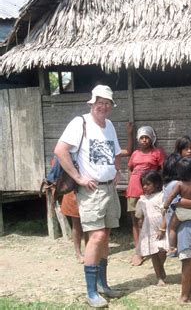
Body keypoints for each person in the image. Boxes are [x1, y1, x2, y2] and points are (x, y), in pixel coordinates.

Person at [54, 84, 123, 307]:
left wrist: (117, 170)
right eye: (99, 102)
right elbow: (60, 150)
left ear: (111, 106)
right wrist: (78, 177)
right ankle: (91, 291)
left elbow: (116, 152)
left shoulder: (110, 125)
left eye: (107, 103)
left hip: (109, 188)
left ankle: (103, 285)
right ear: (91, 103)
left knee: (106, 235)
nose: (103, 106)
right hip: (91, 190)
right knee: (96, 237)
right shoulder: (80, 122)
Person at [161, 153, 191, 300]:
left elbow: (171, 200)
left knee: (173, 227)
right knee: (189, 260)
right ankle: (185, 293)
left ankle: (172, 245)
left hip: (181, 215)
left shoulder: (178, 185)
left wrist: (165, 206)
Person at [126, 126, 166, 266]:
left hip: (150, 192)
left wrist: (156, 185)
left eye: (147, 137)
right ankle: (139, 251)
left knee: (152, 220)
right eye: (142, 138)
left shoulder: (157, 152)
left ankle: (155, 247)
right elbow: (131, 169)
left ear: (151, 138)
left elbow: (162, 169)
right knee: (136, 222)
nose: (144, 140)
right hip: (133, 190)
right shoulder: (135, 153)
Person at [161, 157, 191, 255]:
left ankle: (172, 247)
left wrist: (165, 206)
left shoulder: (180, 184)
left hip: (181, 212)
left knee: (171, 228)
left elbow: (171, 196)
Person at [134, 170, 168, 286]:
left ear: (156, 183)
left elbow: (166, 213)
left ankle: (161, 267)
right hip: (149, 230)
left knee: (162, 251)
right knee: (154, 253)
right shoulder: (142, 199)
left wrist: (163, 228)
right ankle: (159, 276)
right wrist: (140, 222)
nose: (145, 187)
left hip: (161, 227)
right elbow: (140, 215)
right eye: (143, 184)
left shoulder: (162, 196)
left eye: (148, 184)